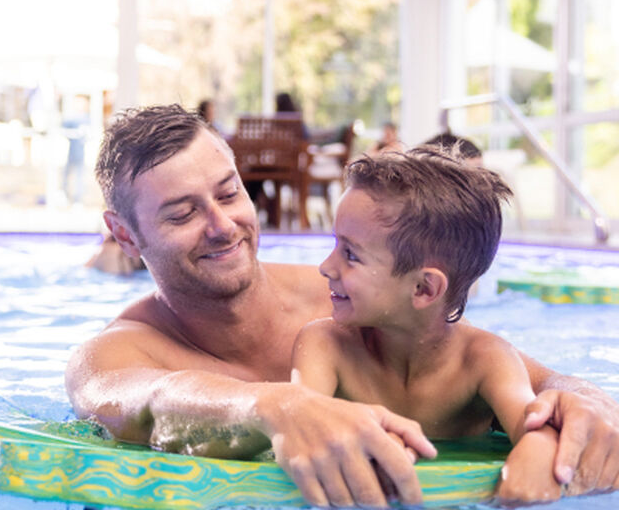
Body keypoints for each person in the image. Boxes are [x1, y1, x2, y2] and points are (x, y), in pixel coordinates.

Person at [65, 104, 619, 507]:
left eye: (230, 193)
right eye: (182, 214)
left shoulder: (347, 300)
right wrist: (278, 407)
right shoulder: (113, 357)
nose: (222, 225)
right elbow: (153, 401)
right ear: (125, 234)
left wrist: (584, 403)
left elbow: (535, 380)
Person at [292, 147, 558, 503]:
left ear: (423, 288)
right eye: (335, 245)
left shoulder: (485, 360)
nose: (326, 266)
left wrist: (538, 448)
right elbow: (299, 418)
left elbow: (536, 430)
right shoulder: (325, 344)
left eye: (350, 254)